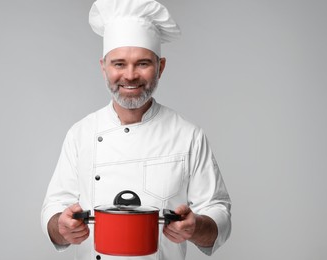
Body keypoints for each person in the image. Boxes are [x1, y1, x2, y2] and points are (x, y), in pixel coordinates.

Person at [41, 0, 232, 259]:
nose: (130, 75)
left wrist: (196, 226)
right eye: (119, 64)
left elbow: (218, 212)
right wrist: (60, 226)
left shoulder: (188, 135)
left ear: (160, 67)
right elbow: (54, 209)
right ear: (104, 67)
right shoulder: (81, 134)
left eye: (142, 63)